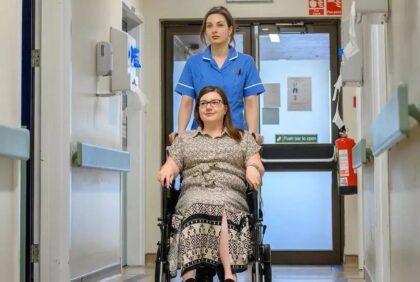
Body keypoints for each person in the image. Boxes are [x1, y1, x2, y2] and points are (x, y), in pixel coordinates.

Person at [158, 86, 265, 282]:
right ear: (198, 110)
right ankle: (189, 276)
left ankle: (228, 274)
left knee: (220, 205)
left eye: (215, 102)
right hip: (193, 191)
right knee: (194, 203)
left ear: (225, 108)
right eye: (204, 103)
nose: (209, 107)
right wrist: (168, 169)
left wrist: (252, 168)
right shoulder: (185, 140)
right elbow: (172, 164)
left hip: (230, 193)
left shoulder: (242, 138)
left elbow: (256, 163)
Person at [171, 6, 265, 144]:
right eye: (209, 26)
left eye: (220, 25)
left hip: (235, 135)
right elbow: (186, 102)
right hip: (200, 136)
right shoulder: (194, 63)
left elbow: (251, 102)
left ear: (230, 29)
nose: (214, 30)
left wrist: (252, 133)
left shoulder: (246, 62)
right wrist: (181, 133)